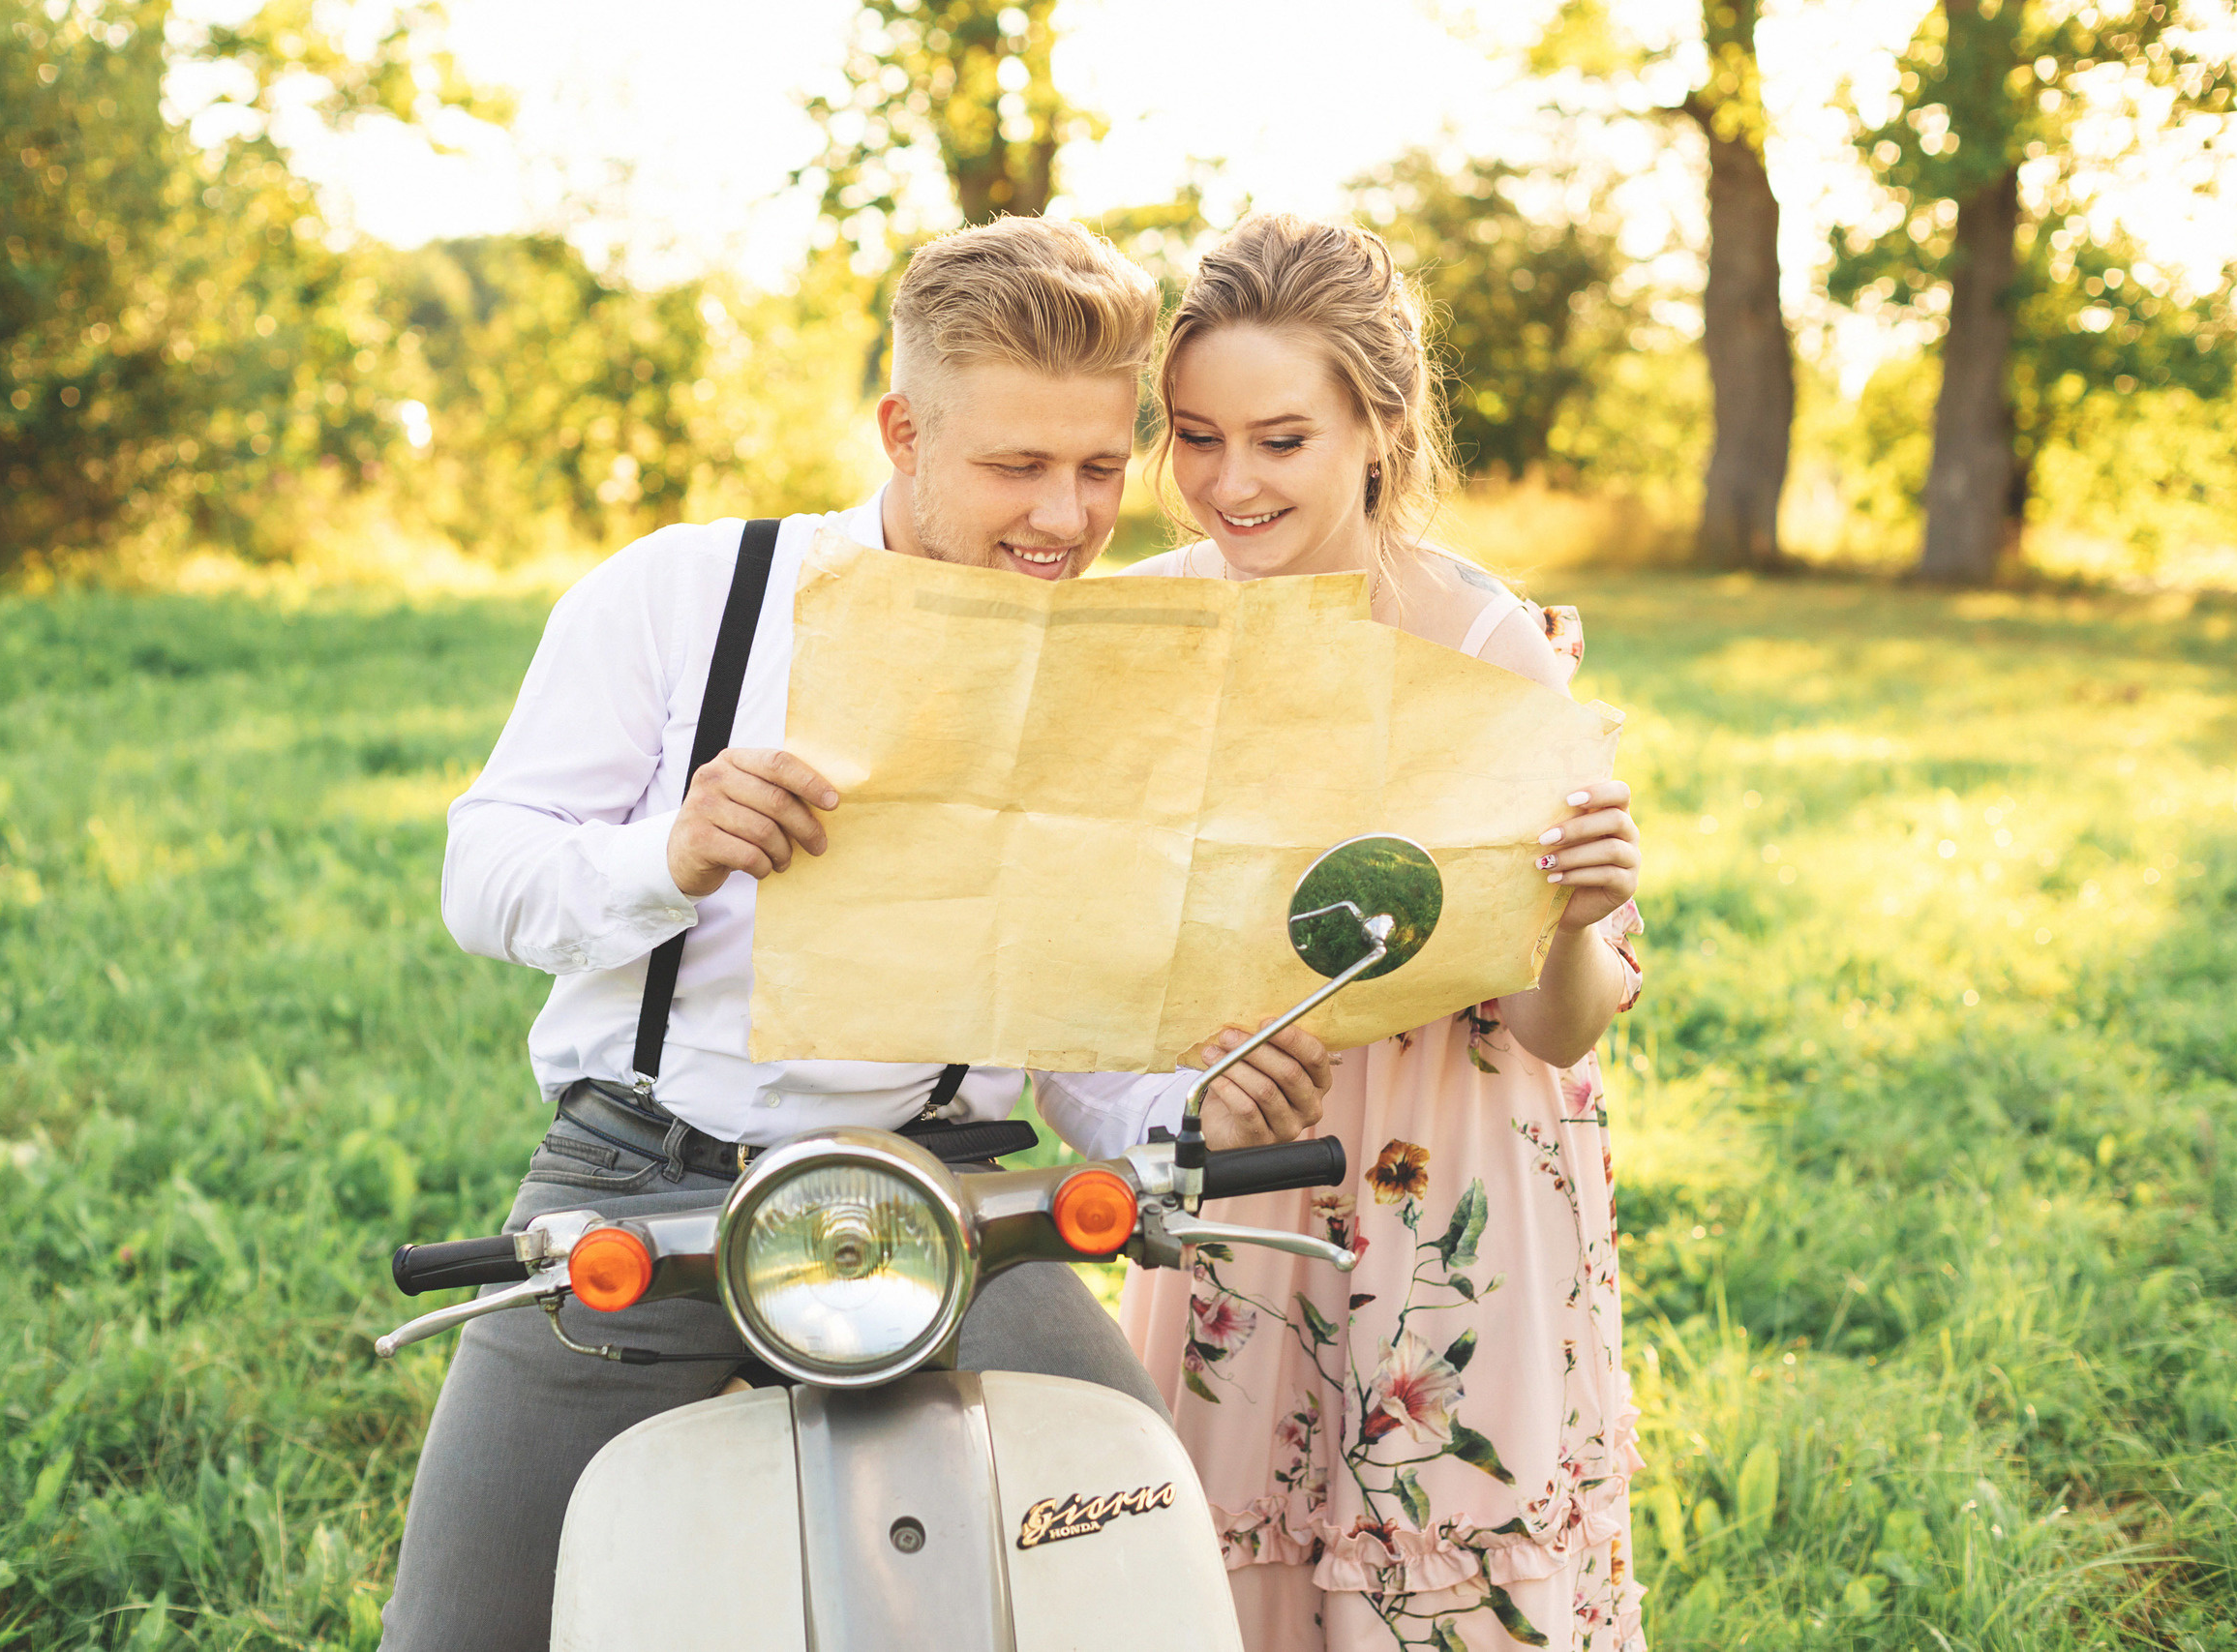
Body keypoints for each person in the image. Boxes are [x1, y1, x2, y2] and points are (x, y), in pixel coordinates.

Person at [382, 216, 1340, 1652]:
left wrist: (1185, 1102)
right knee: (463, 1631)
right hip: (643, 1175)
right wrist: (674, 853)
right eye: (1016, 466)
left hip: (947, 1194)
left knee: (1134, 1567)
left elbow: (1064, 1036)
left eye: (1095, 467)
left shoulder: (1101, 673)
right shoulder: (686, 596)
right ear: (903, 429)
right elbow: (485, 875)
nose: (1069, 519)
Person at [1116, 215, 1649, 1652]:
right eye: (1196, 436)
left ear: (1377, 426)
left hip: (1449, 1166)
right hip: (1249, 1146)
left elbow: (1560, 1026)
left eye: (1281, 439)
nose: (1230, 482)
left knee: (1436, 1559)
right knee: (1217, 1560)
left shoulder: (1484, 645)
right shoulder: (1146, 634)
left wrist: (1574, 914)